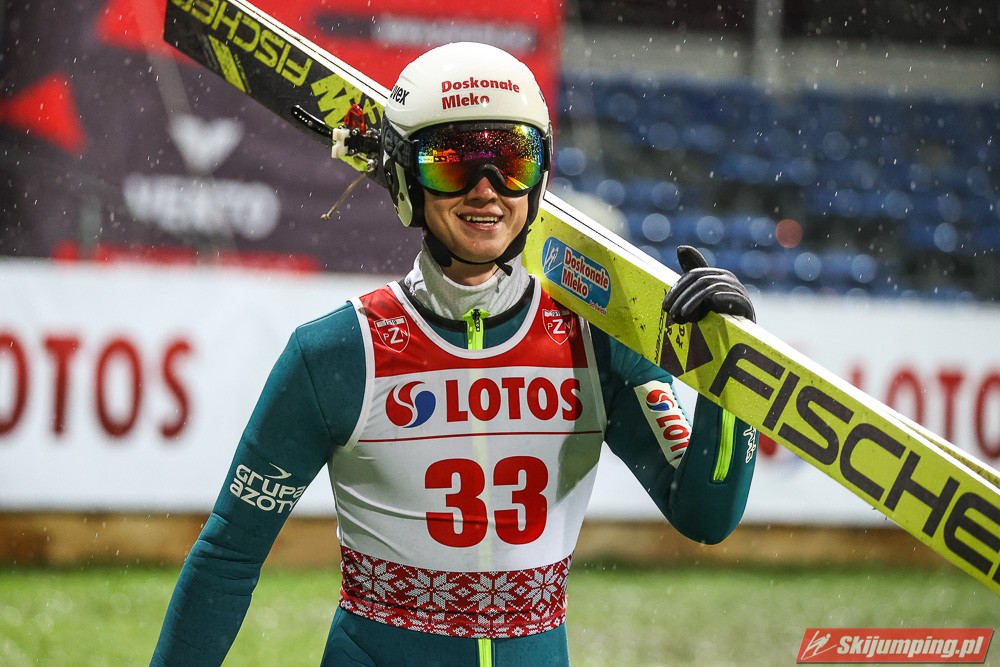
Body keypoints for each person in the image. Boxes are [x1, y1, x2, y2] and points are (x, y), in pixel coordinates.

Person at [151, 42, 757, 666]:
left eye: (513, 160)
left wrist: (729, 374)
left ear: (541, 176)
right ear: (406, 178)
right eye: (451, 163)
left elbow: (705, 514)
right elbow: (228, 557)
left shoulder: (598, 342)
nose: (485, 191)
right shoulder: (336, 353)